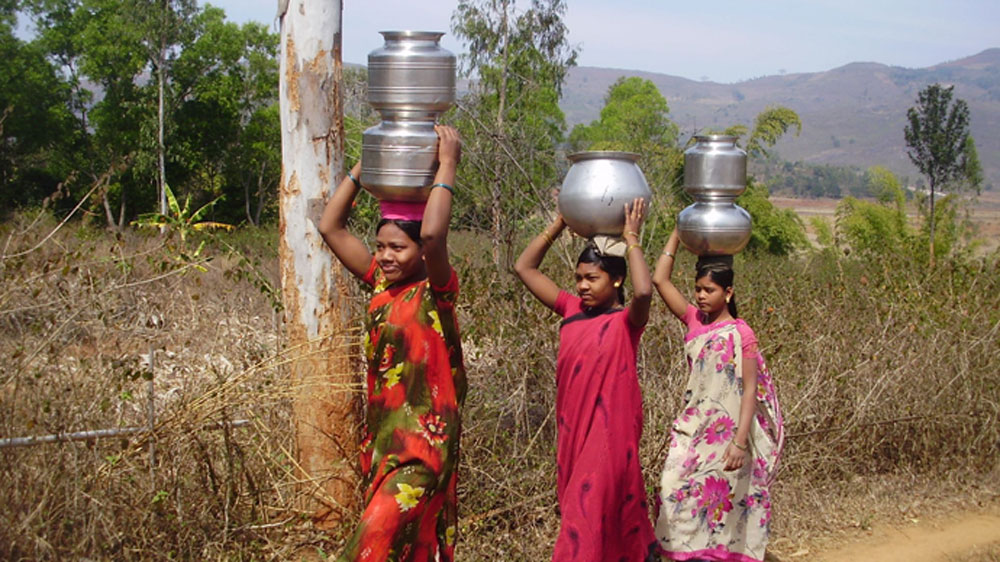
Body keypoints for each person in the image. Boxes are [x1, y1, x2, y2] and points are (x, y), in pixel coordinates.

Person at [318, 125, 466, 561]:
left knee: (371, 545)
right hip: (384, 446)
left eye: (398, 248)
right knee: (409, 549)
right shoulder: (382, 286)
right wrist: (369, 167)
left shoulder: (437, 292)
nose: (385, 256)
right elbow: (331, 227)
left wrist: (448, 165)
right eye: (380, 246)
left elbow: (436, 235)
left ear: (420, 251)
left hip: (424, 451)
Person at [514, 199, 659, 562]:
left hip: (609, 437)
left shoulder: (627, 322)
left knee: (584, 514)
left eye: (591, 278)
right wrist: (560, 222)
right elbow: (524, 267)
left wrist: (632, 238)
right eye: (578, 278)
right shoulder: (570, 309)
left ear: (616, 278)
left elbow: (644, 291)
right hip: (572, 433)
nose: (582, 286)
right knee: (591, 514)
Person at [651, 229, 784, 562]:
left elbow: (750, 388)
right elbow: (659, 281)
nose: (700, 296)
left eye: (708, 290)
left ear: (728, 292)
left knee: (723, 505)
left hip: (727, 438)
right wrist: (677, 235)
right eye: (697, 289)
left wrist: (740, 441)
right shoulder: (695, 322)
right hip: (695, 431)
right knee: (673, 488)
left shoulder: (741, 333)